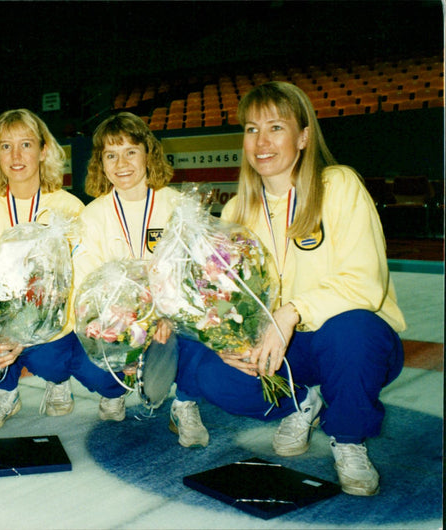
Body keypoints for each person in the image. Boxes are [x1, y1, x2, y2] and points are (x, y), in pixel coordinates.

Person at [170, 81, 405, 496]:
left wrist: (290, 311)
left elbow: (365, 282)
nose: (261, 141)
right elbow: (229, 299)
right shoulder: (237, 210)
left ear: (303, 137)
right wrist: (233, 340)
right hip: (284, 348)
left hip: (351, 341)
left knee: (352, 331)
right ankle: (303, 402)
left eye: (276, 127)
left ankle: (348, 438)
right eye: (250, 129)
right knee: (212, 375)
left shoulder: (338, 186)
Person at [0, 108, 117, 432]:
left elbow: (76, 284)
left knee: (61, 362)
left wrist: (35, 330)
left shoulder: (69, 207)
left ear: (44, 150)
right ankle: (3, 391)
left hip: (52, 324)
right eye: (5, 146)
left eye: (26, 144)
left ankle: (57, 380)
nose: (16, 155)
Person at [71, 111, 183, 423]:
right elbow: (86, 287)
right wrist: (121, 327)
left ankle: (186, 401)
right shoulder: (92, 215)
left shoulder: (175, 204)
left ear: (149, 153)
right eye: (111, 155)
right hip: (118, 322)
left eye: (131, 152)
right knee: (80, 355)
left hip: (168, 321)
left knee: (199, 343)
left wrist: (167, 317)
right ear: (100, 162)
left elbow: (190, 276)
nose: (121, 165)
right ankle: (113, 391)